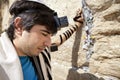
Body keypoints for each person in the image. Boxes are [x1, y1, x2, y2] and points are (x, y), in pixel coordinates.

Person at [0, 0, 83, 80]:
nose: (48, 43)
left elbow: (58, 41)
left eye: (50, 36)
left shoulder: (41, 53)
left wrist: (77, 24)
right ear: (20, 26)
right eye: (44, 34)